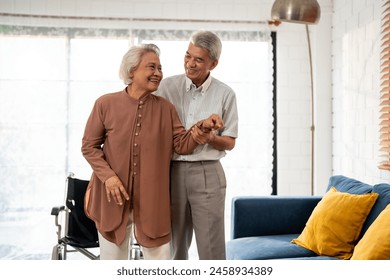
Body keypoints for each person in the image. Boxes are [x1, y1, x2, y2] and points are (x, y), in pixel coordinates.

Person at [81, 43, 223, 260]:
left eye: (160, 68)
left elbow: (181, 144)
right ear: (132, 71)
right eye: (151, 67)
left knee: (160, 265)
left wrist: (201, 128)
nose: (158, 73)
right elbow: (89, 146)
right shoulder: (105, 104)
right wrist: (108, 177)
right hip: (112, 198)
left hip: (152, 201)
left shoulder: (165, 108)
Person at [155, 30, 238, 260]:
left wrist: (211, 138)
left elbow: (230, 142)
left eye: (198, 59)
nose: (190, 64)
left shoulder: (225, 94)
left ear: (214, 63)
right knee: (173, 250)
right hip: (172, 172)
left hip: (208, 173)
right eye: (187, 56)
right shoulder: (165, 88)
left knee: (211, 250)